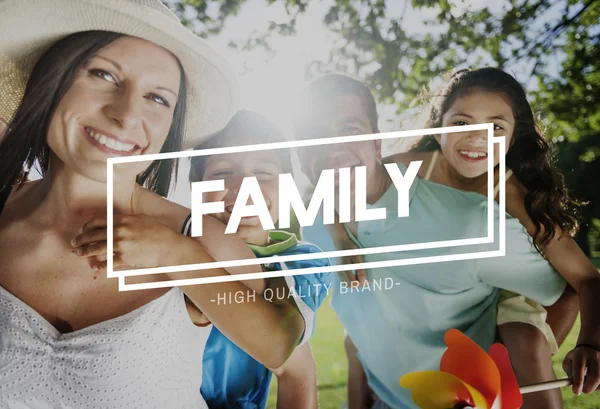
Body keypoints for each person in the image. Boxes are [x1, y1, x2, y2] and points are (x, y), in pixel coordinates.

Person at [0, 1, 308, 407]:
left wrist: (175, 254)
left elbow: (285, 352)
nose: (127, 115)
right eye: (103, 74)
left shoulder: (199, 239)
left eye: (158, 99)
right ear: (52, 80)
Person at [291, 73, 589, 409]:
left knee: (527, 341)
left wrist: (577, 348)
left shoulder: (501, 197)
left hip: (505, 290)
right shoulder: (409, 168)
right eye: (462, 122)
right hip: (392, 389)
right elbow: (338, 187)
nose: (476, 138)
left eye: (350, 130)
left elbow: (577, 282)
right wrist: (340, 238)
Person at [189, 110, 330, 409]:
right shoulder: (171, 243)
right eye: (222, 172)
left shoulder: (302, 263)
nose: (244, 187)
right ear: (195, 189)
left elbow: (291, 356)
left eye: (263, 174)